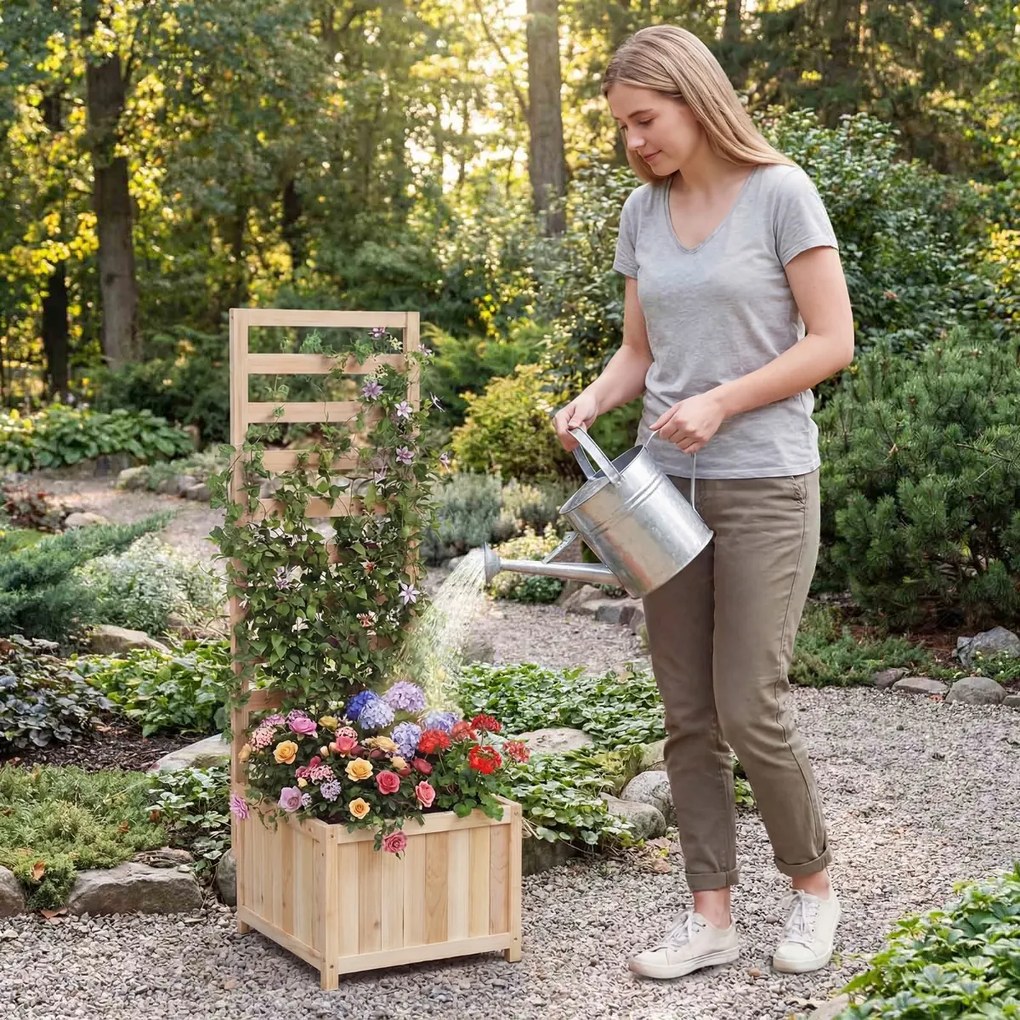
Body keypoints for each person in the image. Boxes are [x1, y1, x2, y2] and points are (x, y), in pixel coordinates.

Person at [553, 25, 854, 981]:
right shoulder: (642, 212)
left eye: (646, 119)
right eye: (623, 128)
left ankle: (812, 891)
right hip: (660, 488)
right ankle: (710, 915)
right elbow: (640, 353)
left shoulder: (781, 192)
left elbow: (830, 339)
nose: (636, 142)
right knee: (686, 712)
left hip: (764, 478)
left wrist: (724, 399)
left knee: (748, 704)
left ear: (693, 97)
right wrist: (596, 399)